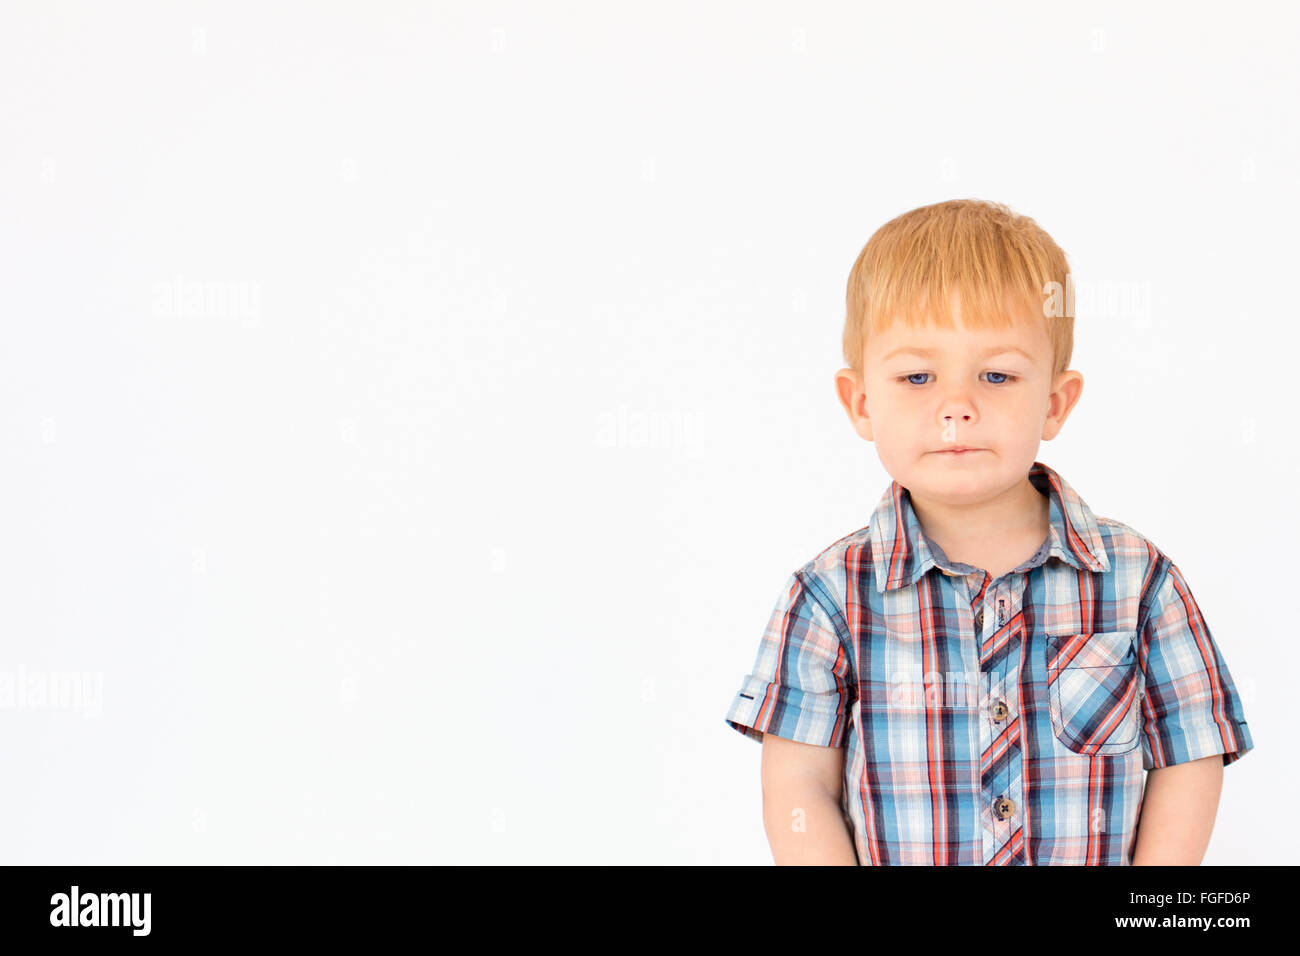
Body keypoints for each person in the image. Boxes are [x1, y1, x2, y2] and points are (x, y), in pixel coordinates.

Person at [722, 198, 1254, 865]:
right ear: (861, 403)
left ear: (1055, 403)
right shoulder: (830, 597)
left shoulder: (1139, 582)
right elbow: (799, 788)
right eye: (917, 376)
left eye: (997, 375)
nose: (957, 407)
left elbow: (1190, 757)